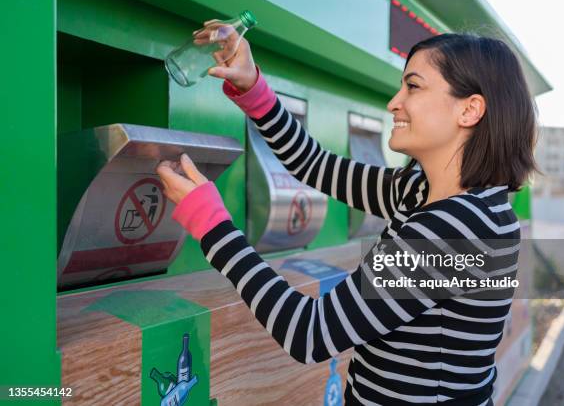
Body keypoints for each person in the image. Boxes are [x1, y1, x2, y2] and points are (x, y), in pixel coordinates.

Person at [156, 29, 537, 405]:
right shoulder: (424, 191)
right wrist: (254, 88)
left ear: (469, 109)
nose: (394, 102)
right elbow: (315, 165)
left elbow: (310, 333)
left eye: (413, 87)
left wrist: (211, 225)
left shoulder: (455, 230)